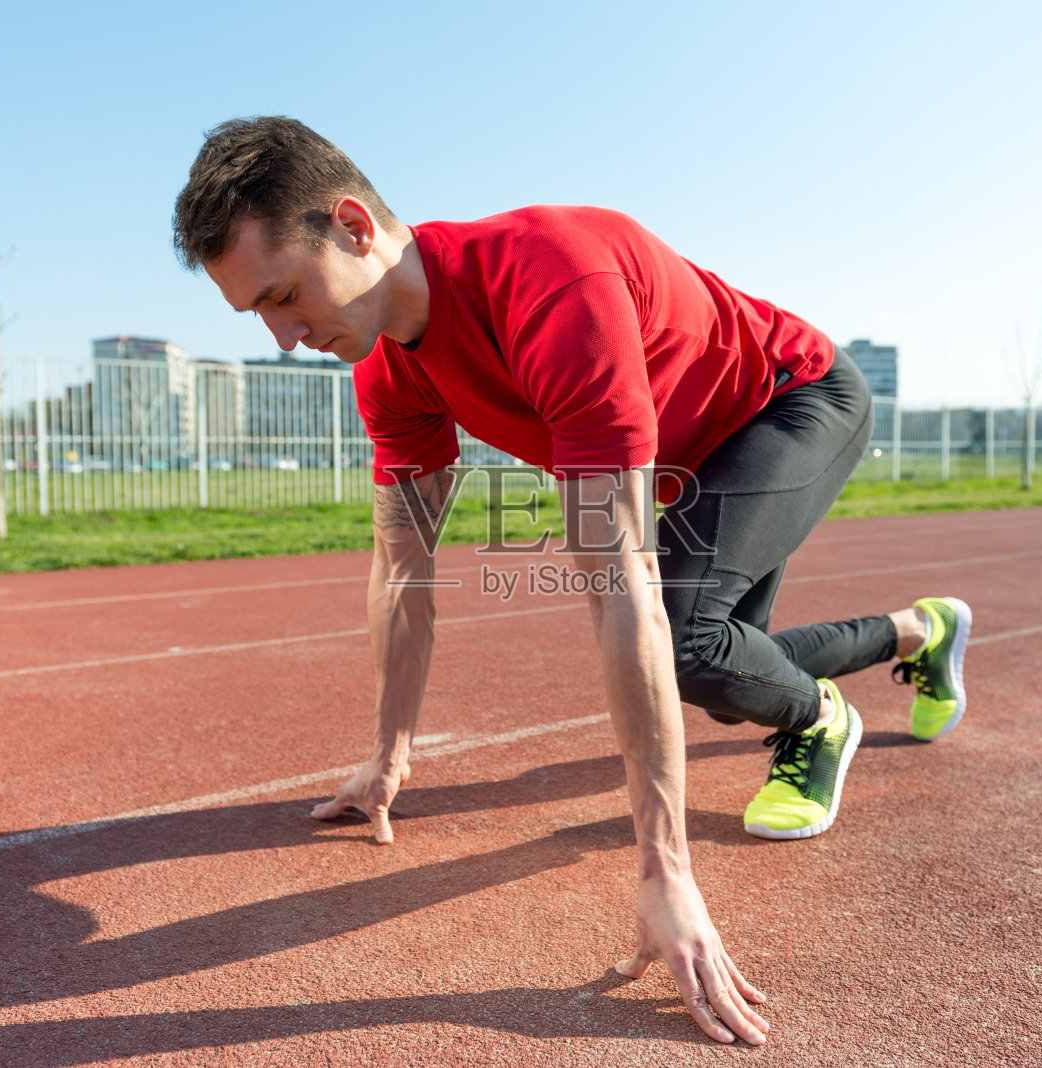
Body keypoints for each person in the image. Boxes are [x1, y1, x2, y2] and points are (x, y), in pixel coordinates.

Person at [172, 116, 971, 1046]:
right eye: (257, 315)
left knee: (678, 639)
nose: (281, 337)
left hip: (791, 401)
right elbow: (404, 571)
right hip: (683, 450)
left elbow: (615, 567)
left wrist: (665, 872)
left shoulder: (551, 285)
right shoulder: (389, 375)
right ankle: (921, 633)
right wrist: (390, 756)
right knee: (709, 670)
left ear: (354, 226)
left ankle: (826, 714)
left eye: (283, 295)